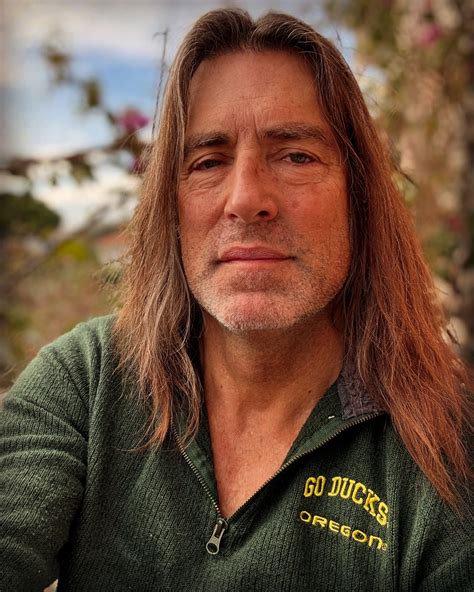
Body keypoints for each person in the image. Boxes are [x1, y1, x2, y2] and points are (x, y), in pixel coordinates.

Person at [1, 8, 472, 592]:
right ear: (171, 207)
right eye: (208, 161)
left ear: (359, 198)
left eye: (296, 155)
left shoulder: (447, 448)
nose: (247, 199)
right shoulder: (88, 381)